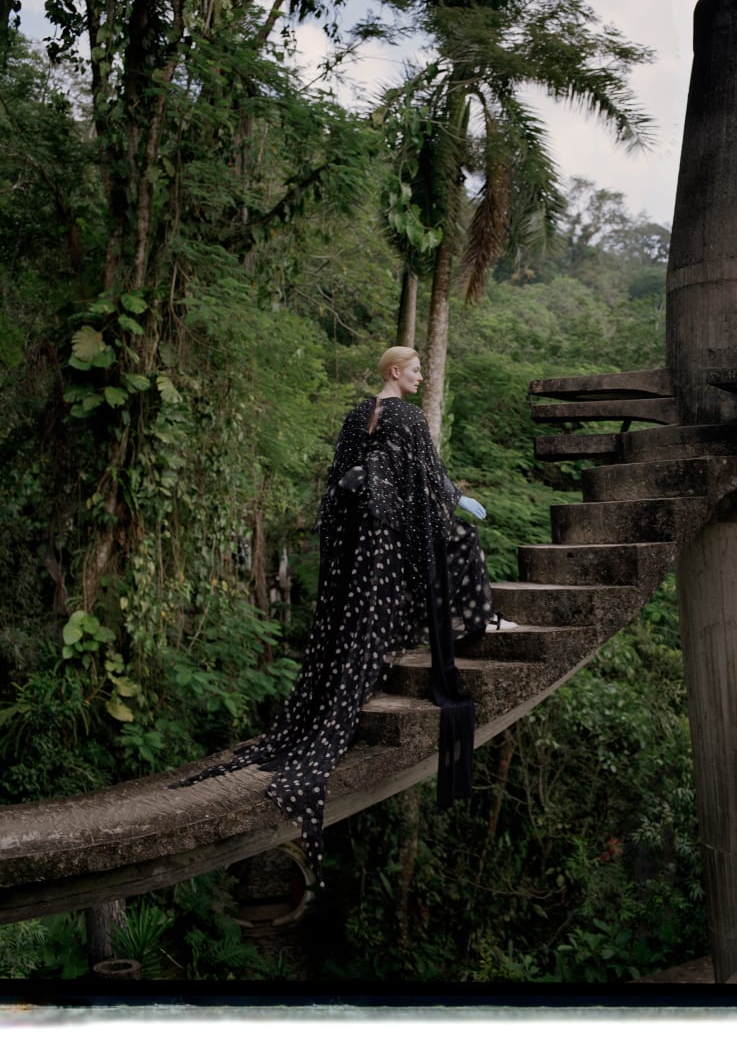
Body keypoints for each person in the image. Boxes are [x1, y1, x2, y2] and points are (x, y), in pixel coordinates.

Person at [172, 346, 513, 881]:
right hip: (392, 530)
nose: (422, 375)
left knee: (372, 609)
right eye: (417, 368)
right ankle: (478, 619)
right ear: (395, 373)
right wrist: (455, 500)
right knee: (463, 538)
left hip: (362, 535)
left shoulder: (358, 414)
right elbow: (428, 475)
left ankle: (463, 622)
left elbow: (341, 479)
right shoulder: (404, 414)